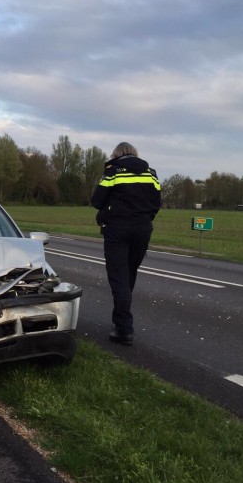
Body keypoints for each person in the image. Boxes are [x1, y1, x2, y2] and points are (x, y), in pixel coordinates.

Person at [91, 142, 161, 345]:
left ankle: (124, 329)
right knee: (129, 275)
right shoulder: (151, 173)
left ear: (117, 154)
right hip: (143, 229)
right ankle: (120, 322)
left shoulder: (113, 171)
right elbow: (157, 202)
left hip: (117, 229)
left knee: (119, 278)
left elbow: (97, 200)